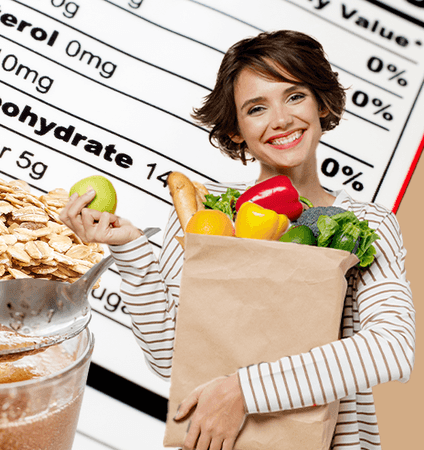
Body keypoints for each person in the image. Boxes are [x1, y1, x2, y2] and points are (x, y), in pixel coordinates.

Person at [59, 30, 415, 450]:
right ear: (236, 131)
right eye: (257, 108)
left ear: (322, 103)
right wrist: (130, 247)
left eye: (295, 96)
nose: (280, 119)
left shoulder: (365, 222)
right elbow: (171, 358)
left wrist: (245, 392)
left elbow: (392, 347)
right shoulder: (205, 214)